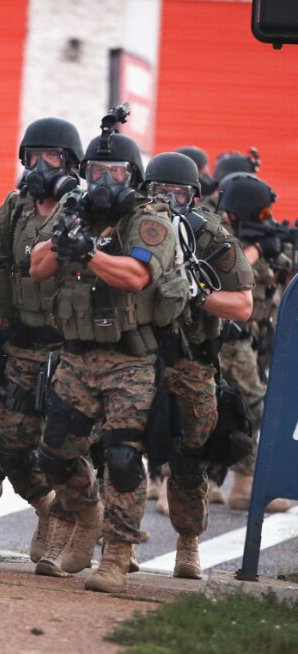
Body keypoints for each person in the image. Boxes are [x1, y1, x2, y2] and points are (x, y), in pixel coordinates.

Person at [29, 125, 187, 593]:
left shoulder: (149, 220)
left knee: (122, 457)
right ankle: (88, 512)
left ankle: (116, 557)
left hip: (130, 361)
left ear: (132, 175)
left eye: (113, 171)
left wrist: (89, 252)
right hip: (77, 358)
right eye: (95, 170)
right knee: (54, 454)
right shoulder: (75, 214)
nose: (102, 180)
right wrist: (66, 240)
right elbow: (37, 269)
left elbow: (136, 276)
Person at [0, 117, 83, 559]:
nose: (40, 165)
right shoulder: (16, 206)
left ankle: (72, 529)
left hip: (67, 350)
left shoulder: (80, 209)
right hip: (18, 342)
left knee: (64, 449)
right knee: (2, 444)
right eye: (33, 156)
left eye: (51, 157)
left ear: (70, 162)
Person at [143, 152, 254, 578]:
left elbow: (242, 305)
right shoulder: (131, 225)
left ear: (194, 196)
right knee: (118, 450)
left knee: (190, 457)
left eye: (179, 193)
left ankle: (187, 545)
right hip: (136, 354)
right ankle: (117, 546)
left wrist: (196, 293)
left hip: (192, 359)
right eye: (159, 192)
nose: (169, 201)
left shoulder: (209, 234)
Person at [216, 172, 293, 513]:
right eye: (261, 214)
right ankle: (173, 485)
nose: (267, 220)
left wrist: (276, 252)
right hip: (215, 339)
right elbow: (223, 270)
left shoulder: (260, 238)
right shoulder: (214, 233)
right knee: (199, 409)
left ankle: (244, 485)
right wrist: (258, 250)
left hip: (244, 340)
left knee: (250, 409)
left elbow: (282, 279)